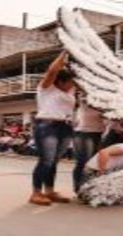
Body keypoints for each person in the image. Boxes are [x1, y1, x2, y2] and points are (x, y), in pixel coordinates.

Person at [30, 51, 76, 206]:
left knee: (54, 162)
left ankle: (49, 191)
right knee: (46, 161)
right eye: (70, 81)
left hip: (66, 127)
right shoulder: (46, 88)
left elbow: (79, 78)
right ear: (60, 81)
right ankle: (36, 193)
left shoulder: (69, 92)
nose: (72, 84)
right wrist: (65, 53)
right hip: (47, 126)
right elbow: (52, 71)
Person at [73, 98, 105, 192]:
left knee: (94, 162)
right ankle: (79, 187)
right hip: (84, 133)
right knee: (84, 161)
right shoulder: (85, 99)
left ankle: (90, 187)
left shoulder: (105, 102)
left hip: (98, 133)